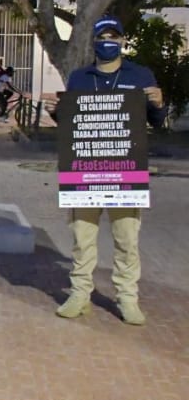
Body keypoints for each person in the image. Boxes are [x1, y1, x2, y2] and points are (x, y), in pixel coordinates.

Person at [57, 16, 166, 325]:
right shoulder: (79, 78)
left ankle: (127, 297)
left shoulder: (141, 75)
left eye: (114, 36)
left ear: (122, 40)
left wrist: (159, 104)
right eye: (103, 36)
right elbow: (70, 123)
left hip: (125, 174)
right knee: (82, 238)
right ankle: (79, 294)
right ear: (94, 41)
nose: (108, 41)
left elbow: (156, 123)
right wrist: (57, 110)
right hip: (85, 175)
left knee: (127, 239)